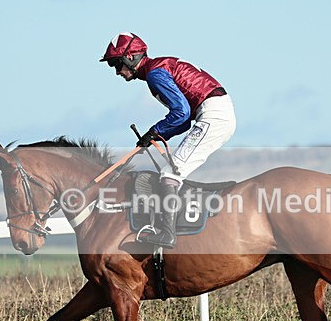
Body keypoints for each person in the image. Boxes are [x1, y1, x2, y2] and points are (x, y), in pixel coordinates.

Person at [100, 32, 236, 249]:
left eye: (117, 64)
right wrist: (155, 136)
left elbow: (181, 114)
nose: (117, 72)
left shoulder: (155, 74)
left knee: (170, 173)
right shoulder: (157, 70)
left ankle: (167, 234)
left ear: (131, 57)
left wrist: (155, 131)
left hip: (213, 115)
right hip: (213, 113)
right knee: (172, 171)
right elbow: (183, 122)